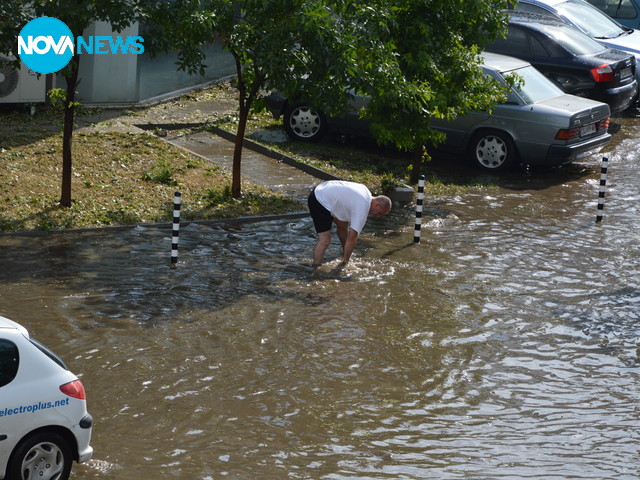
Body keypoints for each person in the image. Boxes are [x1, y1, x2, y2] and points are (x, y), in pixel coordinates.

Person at [307, 180, 392, 267]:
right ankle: (316, 267)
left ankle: (345, 252)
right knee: (325, 240)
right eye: (380, 213)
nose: (377, 216)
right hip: (319, 200)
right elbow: (352, 237)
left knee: (343, 226)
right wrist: (346, 264)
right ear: (377, 205)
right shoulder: (362, 208)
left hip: (324, 189)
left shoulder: (365, 191)